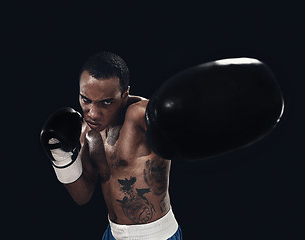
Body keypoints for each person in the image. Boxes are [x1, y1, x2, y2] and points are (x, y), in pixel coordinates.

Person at [40, 52, 283, 239]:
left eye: (105, 102)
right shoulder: (86, 132)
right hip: (112, 233)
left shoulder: (140, 116)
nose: (93, 112)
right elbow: (82, 196)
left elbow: (199, 115)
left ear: (125, 95)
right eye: (85, 100)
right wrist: (62, 159)